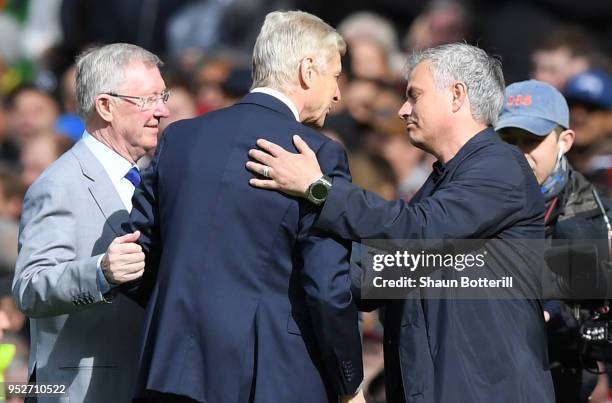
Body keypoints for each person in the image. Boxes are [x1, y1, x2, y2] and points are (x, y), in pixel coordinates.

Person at [246, 42, 554, 402]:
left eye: (415, 95)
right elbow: (390, 270)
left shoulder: (500, 167)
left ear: (457, 95)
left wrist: (318, 189)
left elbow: (420, 231)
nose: (403, 109)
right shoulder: (445, 181)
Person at [129, 10, 364, 403]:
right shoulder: (316, 154)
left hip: (170, 369)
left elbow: (137, 256)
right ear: (308, 71)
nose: (338, 92)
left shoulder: (181, 139)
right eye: (335, 75)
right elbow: (327, 288)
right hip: (269, 379)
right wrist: (350, 383)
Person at [12, 43, 169, 403]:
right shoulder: (58, 184)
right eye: (147, 99)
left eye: (163, 96)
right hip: (83, 391)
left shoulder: (153, 177)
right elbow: (29, 287)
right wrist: (101, 272)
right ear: (105, 106)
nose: (163, 110)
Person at [495, 79, 612, 403]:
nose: (519, 153)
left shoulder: (596, 213)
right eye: (508, 140)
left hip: (560, 380)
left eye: (531, 140)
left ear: (565, 140)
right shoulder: (468, 201)